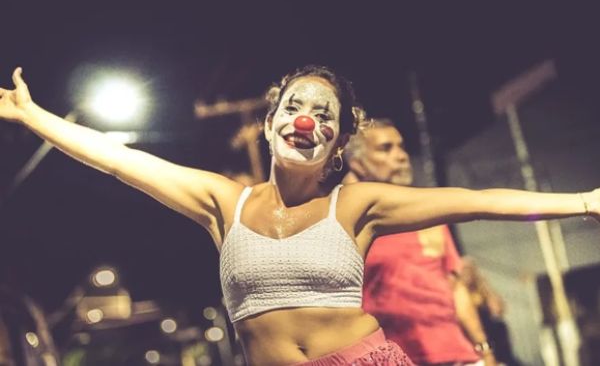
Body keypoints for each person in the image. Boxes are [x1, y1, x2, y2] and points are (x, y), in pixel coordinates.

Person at [1, 65, 598, 366]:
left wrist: (584, 201)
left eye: (323, 113)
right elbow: (117, 160)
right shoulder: (221, 201)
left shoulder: (358, 205)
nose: (305, 119)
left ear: (337, 144)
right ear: (270, 124)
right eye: (293, 106)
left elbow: (484, 201)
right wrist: (35, 118)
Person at [343, 119, 498, 365]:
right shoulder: (345, 220)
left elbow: (456, 289)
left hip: (458, 355)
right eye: (386, 148)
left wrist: (484, 350)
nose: (401, 156)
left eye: (401, 147)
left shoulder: (427, 214)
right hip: (394, 357)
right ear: (358, 163)